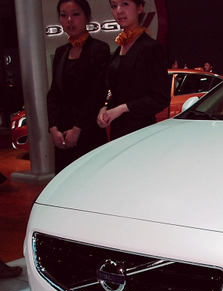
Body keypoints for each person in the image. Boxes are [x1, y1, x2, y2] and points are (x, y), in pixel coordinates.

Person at [47, 0, 110, 173]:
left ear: (87, 17)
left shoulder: (99, 49)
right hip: (62, 133)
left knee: (90, 178)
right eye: (64, 15)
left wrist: (77, 129)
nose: (69, 20)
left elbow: (97, 93)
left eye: (75, 14)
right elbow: (54, 94)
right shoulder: (60, 52)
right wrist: (53, 128)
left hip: (88, 130)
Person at [97, 0, 170, 140]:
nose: (119, 10)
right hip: (118, 130)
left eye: (125, 4)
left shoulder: (150, 47)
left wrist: (122, 108)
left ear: (139, 8)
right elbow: (117, 91)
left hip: (141, 130)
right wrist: (104, 109)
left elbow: (161, 99)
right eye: (114, 6)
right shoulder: (119, 47)